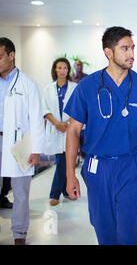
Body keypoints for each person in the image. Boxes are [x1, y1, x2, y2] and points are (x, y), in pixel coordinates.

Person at [64, 26, 137, 245]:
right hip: (98, 166)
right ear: (108, 52)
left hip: (132, 165)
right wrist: (70, 173)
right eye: (125, 48)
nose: (131, 54)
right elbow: (73, 130)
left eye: (133, 48)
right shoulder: (86, 86)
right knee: (104, 229)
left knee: (128, 232)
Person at [0, 37, 45, 245]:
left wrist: (36, 149)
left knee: (20, 192)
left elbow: (36, 119)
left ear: (11, 55)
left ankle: (19, 234)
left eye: (0, 56)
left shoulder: (27, 84)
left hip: (19, 144)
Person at [42, 57, 77, 206]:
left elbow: (78, 108)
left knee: (64, 161)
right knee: (62, 161)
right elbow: (45, 109)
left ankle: (57, 193)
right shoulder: (48, 88)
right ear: (55, 70)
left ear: (68, 70)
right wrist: (57, 123)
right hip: (55, 129)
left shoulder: (74, 87)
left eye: (65, 68)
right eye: (59, 68)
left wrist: (67, 123)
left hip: (69, 129)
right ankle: (61, 192)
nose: (63, 71)